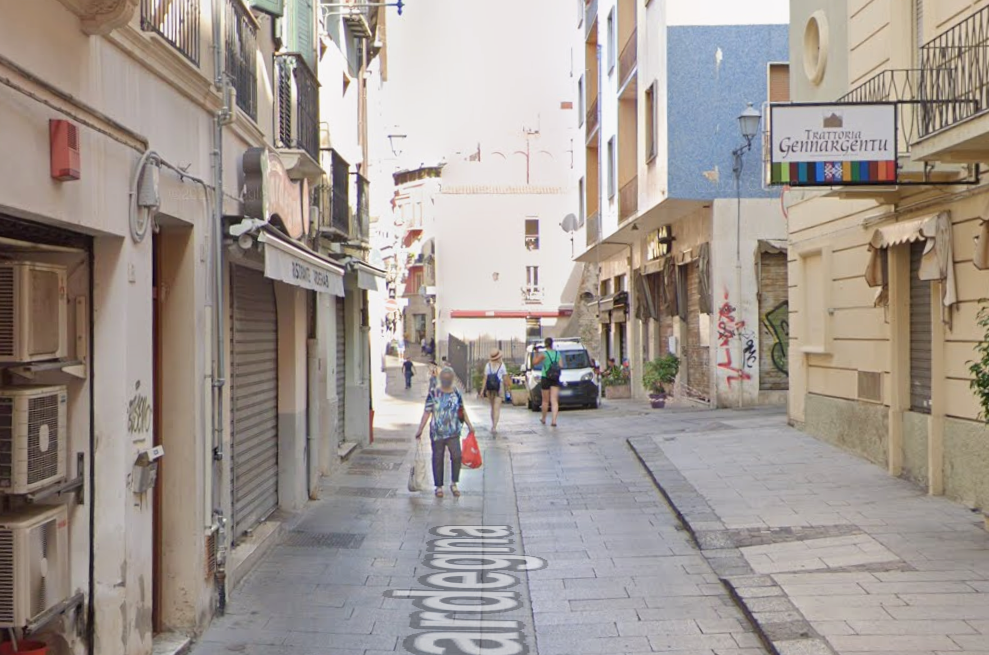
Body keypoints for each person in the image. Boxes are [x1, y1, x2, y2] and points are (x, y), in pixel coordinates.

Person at [415, 367, 474, 498]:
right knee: (437, 458)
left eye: (449, 378)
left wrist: (470, 425)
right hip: (437, 433)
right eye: (445, 378)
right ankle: (438, 486)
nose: (447, 380)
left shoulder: (456, 393)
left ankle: (454, 483)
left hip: (453, 432)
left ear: (452, 379)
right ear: (441, 379)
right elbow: (426, 412)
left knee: (457, 456)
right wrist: (420, 429)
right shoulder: (433, 394)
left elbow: (462, 410)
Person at [532, 337, 561, 427]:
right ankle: (554, 421)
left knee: (545, 400)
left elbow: (535, 362)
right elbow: (561, 365)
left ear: (545, 344)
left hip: (546, 377)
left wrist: (536, 353)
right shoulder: (557, 353)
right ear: (552, 344)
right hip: (555, 378)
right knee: (554, 400)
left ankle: (544, 418)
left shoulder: (544, 354)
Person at [481, 349, 508, 434]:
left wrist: (482, 390)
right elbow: (505, 378)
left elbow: (485, 378)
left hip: (490, 388)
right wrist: (508, 388)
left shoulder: (488, 365)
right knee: (497, 408)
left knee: (492, 408)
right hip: (499, 387)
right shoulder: (502, 365)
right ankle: (494, 427)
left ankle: (493, 424)